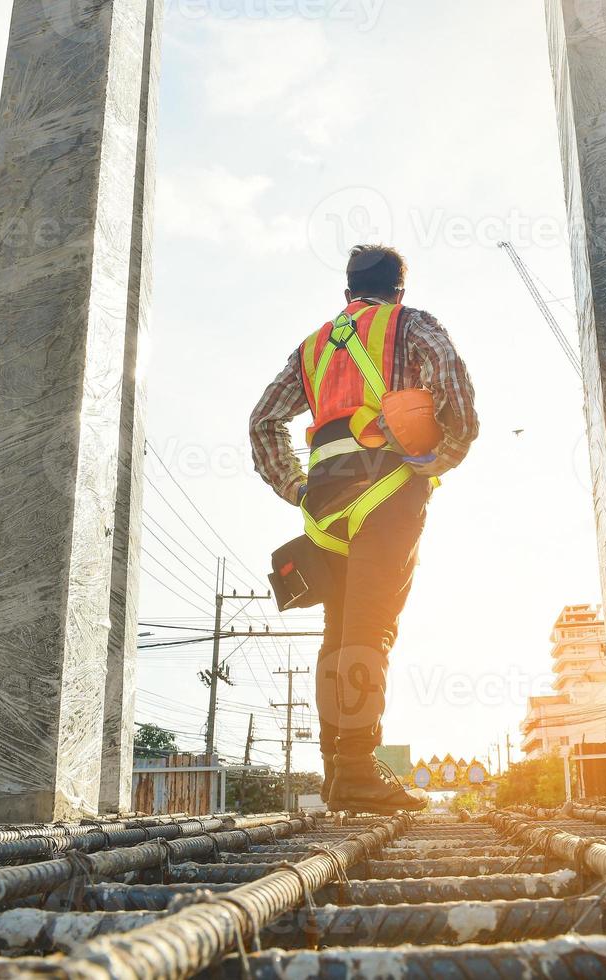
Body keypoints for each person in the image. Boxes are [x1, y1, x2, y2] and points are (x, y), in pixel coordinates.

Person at [250, 245, 479, 813]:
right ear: (398, 290)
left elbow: (264, 420)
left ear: (347, 292)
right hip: (389, 489)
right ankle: (356, 767)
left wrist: (294, 486)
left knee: (340, 630)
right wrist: (439, 459)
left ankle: (338, 769)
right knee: (370, 627)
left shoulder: (314, 347)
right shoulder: (411, 324)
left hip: (325, 501)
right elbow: (456, 394)